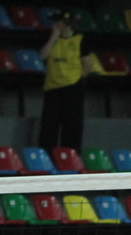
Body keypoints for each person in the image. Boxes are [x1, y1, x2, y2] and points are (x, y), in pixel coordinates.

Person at [37, 10, 95, 150]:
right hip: (52, 87)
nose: (55, 24)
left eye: (58, 21)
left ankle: (70, 156)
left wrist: (77, 79)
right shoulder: (52, 39)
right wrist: (53, 37)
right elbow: (42, 56)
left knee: (71, 126)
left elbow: (87, 65)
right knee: (49, 126)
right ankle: (48, 156)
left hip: (72, 87)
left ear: (66, 23)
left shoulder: (80, 40)